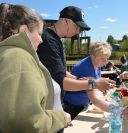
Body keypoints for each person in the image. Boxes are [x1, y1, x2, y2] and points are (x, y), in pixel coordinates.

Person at [0, 3, 70, 132]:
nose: (42, 40)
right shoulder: (18, 57)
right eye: (39, 33)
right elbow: (26, 122)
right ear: (24, 31)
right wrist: (62, 118)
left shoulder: (8, 54)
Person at [37, 6, 114, 111]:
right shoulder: (48, 41)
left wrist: (79, 79)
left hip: (56, 102)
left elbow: (59, 71)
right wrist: (95, 83)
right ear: (66, 21)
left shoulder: (56, 40)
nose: (78, 31)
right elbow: (62, 82)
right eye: (77, 26)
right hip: (47, 105)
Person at [64, 41, 114, 119]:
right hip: (72, 106)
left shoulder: (96, 63)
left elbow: (95, 82)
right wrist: (118, 110)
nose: (105, 62)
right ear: (93, 56)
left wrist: (101, 87)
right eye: (102, 59)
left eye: (107, 58)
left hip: (82, 104)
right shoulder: (85, 67)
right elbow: (95, 99)